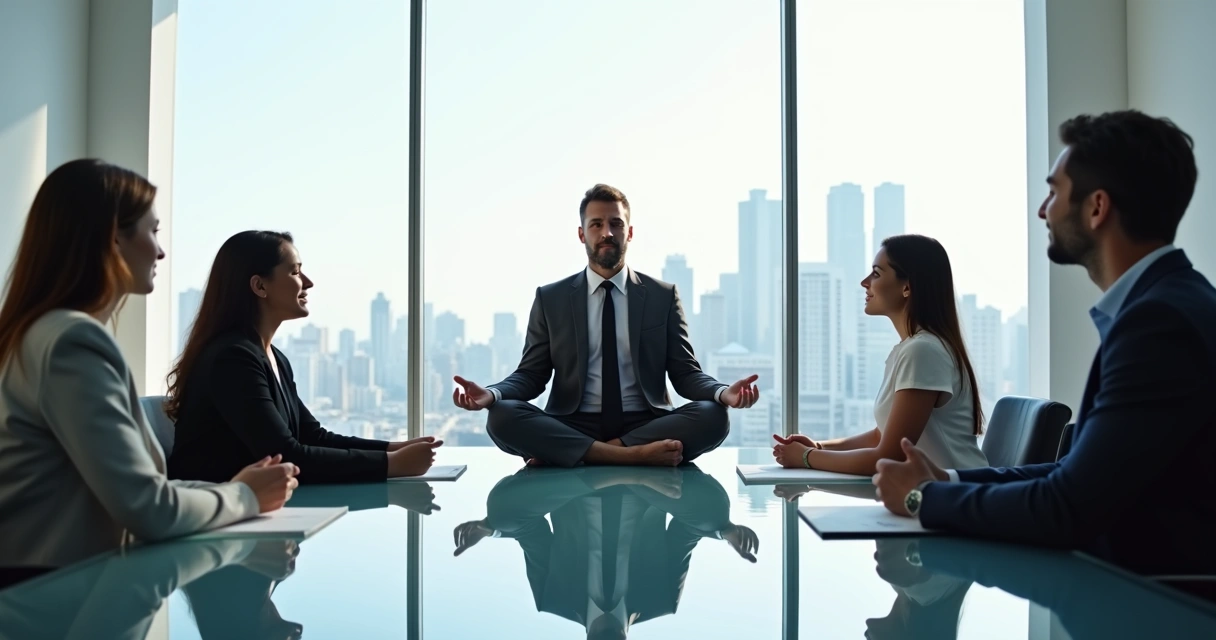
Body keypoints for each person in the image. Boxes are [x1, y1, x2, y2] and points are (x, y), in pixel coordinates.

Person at [873, 110, 1216, 576]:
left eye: (1054, 192)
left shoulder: (1159, 324)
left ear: (1097, 208)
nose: (1043, 210)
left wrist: (923, 498)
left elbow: (1068, 506)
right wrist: (947, 479)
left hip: (1157, 599)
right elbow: (1074, 472)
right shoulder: (1165, 304)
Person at [0, 160, 298, 586]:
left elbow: (137, 492)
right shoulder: (72, 342)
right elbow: (148, 508)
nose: (160, 251)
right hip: (54, 597)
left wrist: (237, 490)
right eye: (152, 231)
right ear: (113, 237)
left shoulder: (43, 334)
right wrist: (245, 496)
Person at [451, 184, 760, 467]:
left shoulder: (661, 296)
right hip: (572, 421)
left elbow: (685, 373)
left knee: (713, 416)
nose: (607, 233)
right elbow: (531, 375)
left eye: (616, 224)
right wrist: (492, 394)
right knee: (502, 416)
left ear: (630, 232)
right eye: (596, 224)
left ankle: (576, 454)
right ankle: (631, 457)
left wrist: (723, 393)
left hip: (646, 423)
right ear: (581, 234)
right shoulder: (551, 298)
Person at [166, 231, 442, 484]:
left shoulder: (273, 357)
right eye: (295, 272)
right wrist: (391, 464)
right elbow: (285, 456)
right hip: (214, 510)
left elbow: (312, 437)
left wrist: (393, 449)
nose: (308, 282)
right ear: (260, 286)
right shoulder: (233, 359)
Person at [452, 466, 759, 639]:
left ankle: (602, 470)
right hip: (647, 483)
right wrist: (725, 533)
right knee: (714, 516)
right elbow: (684, 533)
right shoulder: (660, 601)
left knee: (501, 515)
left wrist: (489, 530)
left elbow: (532, 534)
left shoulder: (553, 599)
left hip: (575, 481)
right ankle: (628, 469)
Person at [771, 235, 988, 474]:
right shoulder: (910, 349)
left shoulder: (923, 351)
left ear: (907, 287)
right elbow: (879, 436)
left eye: (876, 273)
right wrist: (818, 447)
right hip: (929, 490)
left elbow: (888, 456)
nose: (865, 282)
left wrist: (806, 457)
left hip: (956, 493)